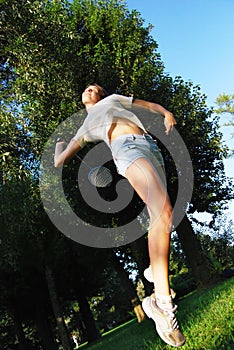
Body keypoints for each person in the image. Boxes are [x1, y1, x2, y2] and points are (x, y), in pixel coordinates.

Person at [54, 83, 186, 347]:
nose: (91, 89)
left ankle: (154, 275)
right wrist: (59, 145)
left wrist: (165, 112)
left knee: (163, 217)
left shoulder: (113, 99)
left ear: (102, 94)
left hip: (151, 147)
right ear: (83, 99)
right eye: (87, 89)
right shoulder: (85, 128)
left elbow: (148, 105)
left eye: (95, 88)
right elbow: (60, 161)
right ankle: (163, 304)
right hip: (127, 149)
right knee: (163, 211)